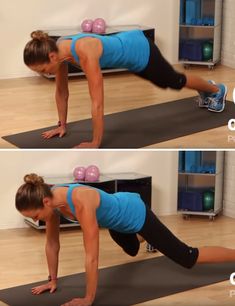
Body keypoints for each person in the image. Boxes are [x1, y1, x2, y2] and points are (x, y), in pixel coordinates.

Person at [16, 173, 235, 306]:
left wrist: (88, 298)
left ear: (44, 202)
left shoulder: (80, 201)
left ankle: (151, 234)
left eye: (35, 216)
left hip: (135, 212)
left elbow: (92, 256)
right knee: (131, 249)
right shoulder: (51, 204)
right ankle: (146, 238)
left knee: (187, 257)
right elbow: (52, 244)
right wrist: (52, 280)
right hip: (115, 224)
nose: (37, 220)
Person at [23, 30, 227, 148]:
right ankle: (207, 89)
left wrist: (95, 142)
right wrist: (61, 125)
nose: (44, 73)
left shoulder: (84, 51)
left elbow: (97, 101)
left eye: (42, 69)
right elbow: (61, 91)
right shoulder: (58, 49)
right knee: (170, 81)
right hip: (127, 48)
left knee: (174, 81)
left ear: (50, 57)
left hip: (140, 51)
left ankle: (216, 89)